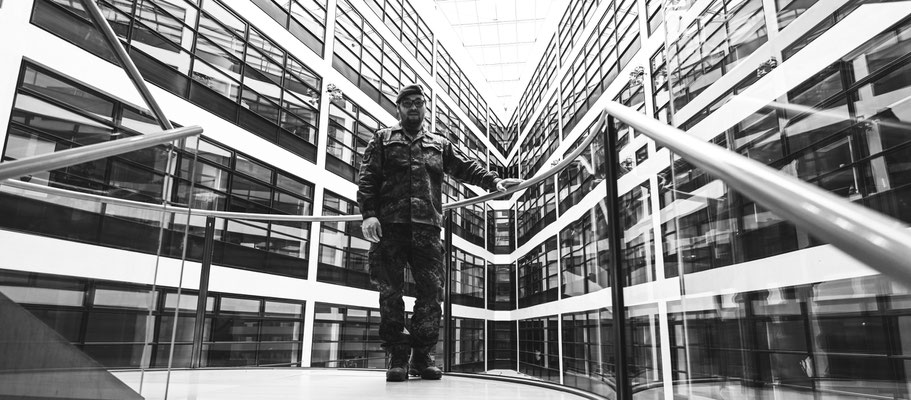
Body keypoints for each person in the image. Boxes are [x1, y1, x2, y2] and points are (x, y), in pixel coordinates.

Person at [357, 84, 522, 382]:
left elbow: (465, 167)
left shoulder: (438, 143)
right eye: (407, 103)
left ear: (425, 108)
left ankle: (422, 357)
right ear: (398, 108)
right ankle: (397, 356)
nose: (413, 107)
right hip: (389, 229)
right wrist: (368, 214)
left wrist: (493, 181)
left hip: (427, 230)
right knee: (389, 294)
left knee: (431, 295)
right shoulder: (382, 139)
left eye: (419, 102)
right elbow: (368, 177)